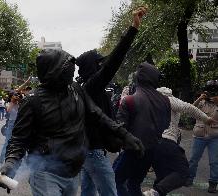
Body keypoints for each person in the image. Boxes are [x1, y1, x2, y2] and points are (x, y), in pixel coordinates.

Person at [0, 49, 144, 196]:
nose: (73, 73)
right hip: (46, 174)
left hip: (72, 172)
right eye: (68, 69)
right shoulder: (33, 101)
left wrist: (124, 135)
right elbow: (19, 139)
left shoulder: (76, 90)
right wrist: (10, 164)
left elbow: (98, 115)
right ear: (55, 71)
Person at [75, 7, 147, 196]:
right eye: (98, 64)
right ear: (92, 67)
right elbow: (113, 62)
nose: (101, 67)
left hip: (88, 151)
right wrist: (133, 29)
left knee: (88, 192)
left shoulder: (87, 88)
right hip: (94, 153)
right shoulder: (91, 86)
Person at [143, 87, 217, 196]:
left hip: (150, 142)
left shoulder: (148, 102)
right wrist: (206, 119)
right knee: (183, 172)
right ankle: (154, 192)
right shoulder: (169, 99)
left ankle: (156, 191)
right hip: (166, 140)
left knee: (162, 174)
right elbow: (190, 108)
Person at [114, 62, 171, 196]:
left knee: (116, 180)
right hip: (152, 150)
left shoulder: (129, 100)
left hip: (132, 150)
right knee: (134, 183)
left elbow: (120, 128)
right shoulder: (165, 101)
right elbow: (166, 124)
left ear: (138, 78)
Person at [187, 80, 218, 193]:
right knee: (193, 160)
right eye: (210, 91)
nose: (212, 93)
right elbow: (189, 109)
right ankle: (189, 179)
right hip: (199, 135)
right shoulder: (201, 102)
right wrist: (200, 98)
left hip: (214, 137)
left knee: (214, 161)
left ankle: (213, 183)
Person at [0, 93, 22, 168]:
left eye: (17, 96)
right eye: (14, 96)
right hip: (11, 124)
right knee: (7, 143)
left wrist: (19, 101)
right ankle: (0, 162)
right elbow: (8, 110)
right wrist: (12, 101)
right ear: (11, 97)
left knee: (20, 143)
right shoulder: (9, 104)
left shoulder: (19, 104)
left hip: (19, 124)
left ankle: (19, 163)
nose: (16, 97)